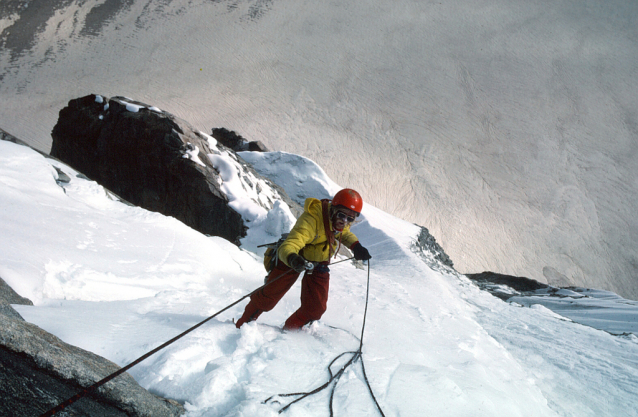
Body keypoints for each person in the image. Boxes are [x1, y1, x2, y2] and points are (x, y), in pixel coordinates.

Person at [235, 188, 372, 330]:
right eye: (342, 215)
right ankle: (241, 326)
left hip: (319, 259)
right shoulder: (312, 219)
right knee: (267, 297)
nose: (344, 221)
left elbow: (343, 233)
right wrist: (293, 259)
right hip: (293, 257)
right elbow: (291, 244)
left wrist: (356, 246)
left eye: (350, 218)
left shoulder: (337, 220)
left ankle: (290, 331)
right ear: (333, 209)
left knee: (315, 308)